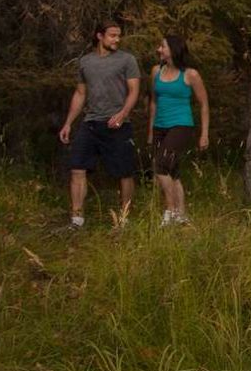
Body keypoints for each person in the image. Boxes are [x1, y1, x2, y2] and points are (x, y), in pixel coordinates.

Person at [59, 20, 140, 228]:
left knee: (124, 172)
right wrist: (68, 123)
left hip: (118, 124)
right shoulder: (85, 62)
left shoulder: (127, 60)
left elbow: (134, 91)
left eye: (118, 35)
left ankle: (124, 219)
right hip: (91, 123)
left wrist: (122, 114)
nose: (117, 39)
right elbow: (80, 93)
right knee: (77, 168)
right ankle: (77, 219)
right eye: (112, 35)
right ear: (99, 36)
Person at [146, 35, 210, 226]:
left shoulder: (190, 75)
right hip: (160, 126)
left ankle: (170, 210)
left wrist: (204, 134)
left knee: (160, 166)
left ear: (173, 50)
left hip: (181, 125)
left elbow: (204, 104)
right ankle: (181, 214)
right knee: (172, 172)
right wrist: (150, 131)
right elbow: (153, 102)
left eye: (162, 46)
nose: (159, 50)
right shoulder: (156, 71)